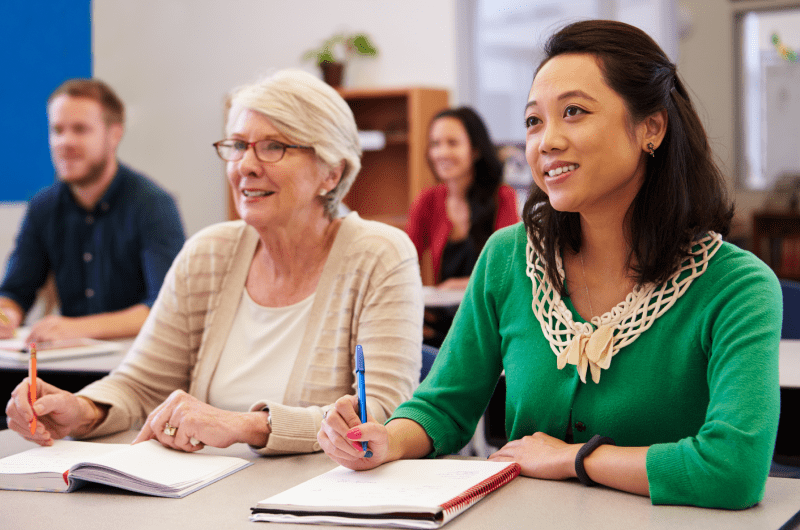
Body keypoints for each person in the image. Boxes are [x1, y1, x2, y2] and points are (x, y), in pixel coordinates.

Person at [318, 20, 781, 510]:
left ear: (652, 128)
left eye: (574, 112)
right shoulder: (508, 257)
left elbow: (733, 467)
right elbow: (442, 407)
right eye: (534, 121)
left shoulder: (738, 287)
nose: (546, 142)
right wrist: (386, 441)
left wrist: (573, 459)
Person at [5, 69, 423, 455]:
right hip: (202, 492)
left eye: (273, 147)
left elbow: (380, 416)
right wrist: (83, 409)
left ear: (331, 172)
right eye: (238, 145)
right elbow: (141, 383)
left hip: (319, 500)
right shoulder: (209, 253)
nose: (245, 166)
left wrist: (247, 426)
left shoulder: (380, 254)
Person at [0, 79, 185, 342]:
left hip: (135, 365)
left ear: (114, 135)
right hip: (66, 362)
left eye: (80, 129)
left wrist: (78, 327)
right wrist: (6, 315)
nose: (65, 141)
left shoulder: (153, 205)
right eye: (57, 130)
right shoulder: (43, 207)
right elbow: (15, 292)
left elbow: (166, 307)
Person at [405, 107, 519, 346]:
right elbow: (403, 260)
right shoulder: (427, 201)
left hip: (490, 323)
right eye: (435, 144)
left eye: (452, 143)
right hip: (443, 324)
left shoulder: (502, 198)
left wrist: (463, 284)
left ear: (475, 150)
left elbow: (509, 270)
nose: (441, 152)